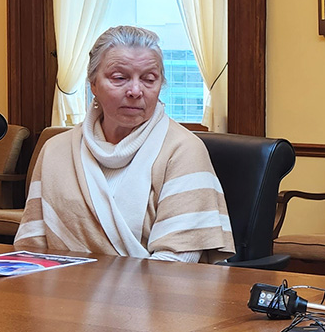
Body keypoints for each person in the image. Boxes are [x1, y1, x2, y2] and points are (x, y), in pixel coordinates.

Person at [15, 26, 234, 263]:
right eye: (119, 78)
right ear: (93, 85)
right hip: (61, 291)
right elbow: (33, 249)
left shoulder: (183, 150)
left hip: (152, 295)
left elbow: (178, 262)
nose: (135, 91)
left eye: (149, 79)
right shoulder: (56, 150)